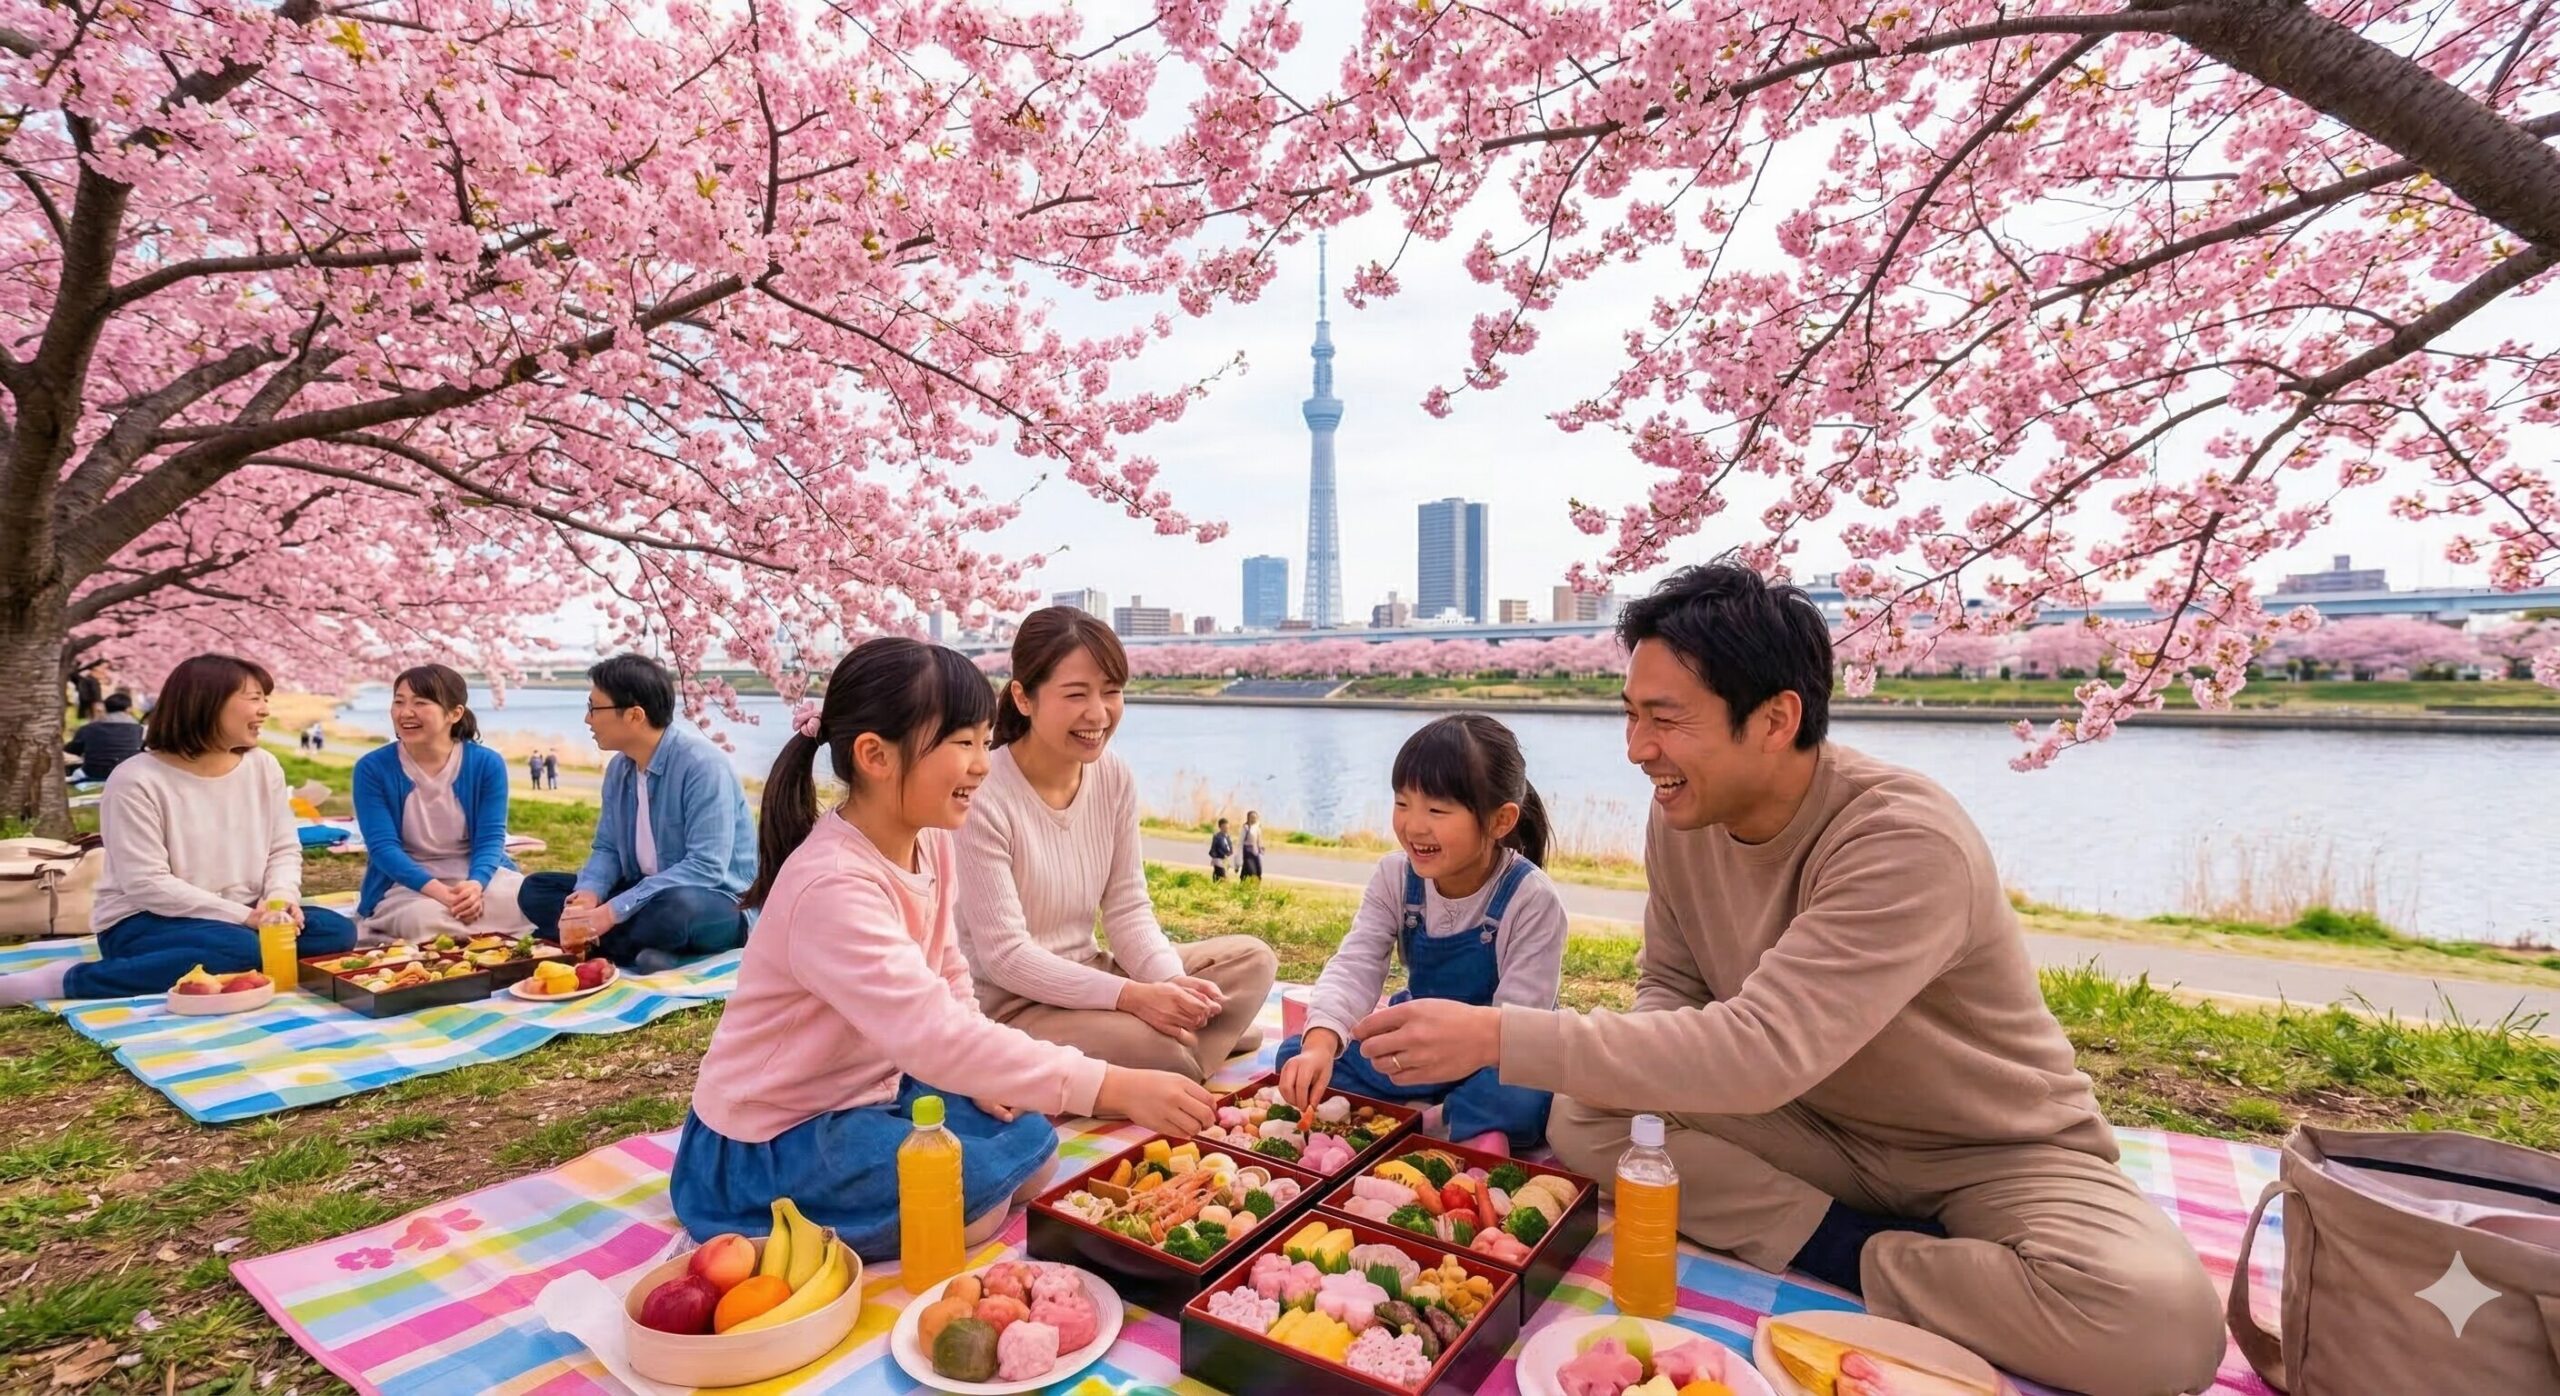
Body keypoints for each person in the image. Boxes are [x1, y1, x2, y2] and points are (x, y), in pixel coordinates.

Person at [1352, 564, 2224, 1396]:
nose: (1636, 749)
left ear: (1775, 718)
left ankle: (1853, 1248)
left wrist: (1499, 1036)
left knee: (2158, 1327)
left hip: (1986, 1149)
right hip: (1798, 1125)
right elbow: (1671, 993)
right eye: (1629, 716)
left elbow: (1763, 1046)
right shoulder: (1683, 818)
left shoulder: (1898, 838)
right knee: (1586, 1114)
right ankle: (1844, 1243)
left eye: (1664, 719)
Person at [668, 637, 1220, 1256]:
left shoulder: (930, 841)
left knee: (1034, 1155)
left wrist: (978, 1078)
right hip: (772, 1137)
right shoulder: (831, 885)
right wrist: (1116, 1087)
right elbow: (934, 1036)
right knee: (974, 1206)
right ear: (875, 755)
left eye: (986, 741)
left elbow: (950, 971)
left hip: (876, 1093)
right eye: (963, 744)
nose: (983, 765)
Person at [956, 607, 1277, 1082]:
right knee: (1160, 1050)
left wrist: (1170, 986)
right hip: (1016, 1005)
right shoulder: (983, 793)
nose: (1098, 713)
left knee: (1253, 960)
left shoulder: (1113, 775)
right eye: (1076, 694)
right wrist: (1135, 999)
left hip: (1095, 974)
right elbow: (1006, 957)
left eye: (1111, 691)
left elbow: (1127, 908)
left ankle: (1188, 1040)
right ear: (1023, 698)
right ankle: (1192, 1048)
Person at [1274, 714, 1565, 1153]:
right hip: (1419, 1047)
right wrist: (1319, 1046)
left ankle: (1426, 1118)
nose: (1413, 825)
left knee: (1524, 1097)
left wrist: (1468, 1060)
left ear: (1501, 820)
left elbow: (1520, 1026)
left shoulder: (1530, 899)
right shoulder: (1395, 876)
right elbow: (1356, 964)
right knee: (1297, 1054)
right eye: (1402, 802)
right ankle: (1449, 1120)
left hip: (1493, 1055)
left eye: (1436, 810)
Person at [0, 654, 356, 1004]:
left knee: (335, 931)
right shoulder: (136, 780)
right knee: (238, 948)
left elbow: (282, 848)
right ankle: (63, 980)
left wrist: (281, 900)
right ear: (207, 704)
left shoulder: (263, 766)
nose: (264, 710)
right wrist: (246, 918)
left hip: (244, 913)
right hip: (146, 919)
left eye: (266, 699)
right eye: (253, 698)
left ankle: (205, 962)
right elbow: (146, 884)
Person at [517, 655, 756, 971]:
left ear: (634, 715)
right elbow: (607, 848)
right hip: (642, 892)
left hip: (712, 901)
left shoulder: (703, 766)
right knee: (536, 889)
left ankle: (599, 940)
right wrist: (588, 896)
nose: (587, 720)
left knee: (676, 911)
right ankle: (636, 949)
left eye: (593, 708)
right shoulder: (620, 769)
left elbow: (705, 868)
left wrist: (612, 912)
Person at [350, 665, 535, 942]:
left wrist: (475, 886)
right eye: (398, 702)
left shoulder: (486, 763)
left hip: (474, 876)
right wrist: (442, 894)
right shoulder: (373, 768)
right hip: (407, 884)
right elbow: (383, 848)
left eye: (420, 703)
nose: (405, 712)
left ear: (454, 713)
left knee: (530, 905)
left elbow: (490, 838)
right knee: (425, 922)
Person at [63, 691, 147, 782]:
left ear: (105, 708)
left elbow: (72, 750)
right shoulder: (139, 730)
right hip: (128, 774)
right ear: (129, 709)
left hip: (93, 774)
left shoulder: (88, 728)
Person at [1239, 809, 1264, 880]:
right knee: (1251, 871)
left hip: (1256, 853)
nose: (1254, 819)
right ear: (1248, 818)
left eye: (1255, 817)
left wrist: (1261, 849)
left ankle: (1251, 886)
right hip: (1248, 853)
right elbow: (1240, 842)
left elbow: (1259, 841)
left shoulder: (1258, 828)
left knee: (1258, 870)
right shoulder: (1245, 828)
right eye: (1252, 817)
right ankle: (1246, 884)